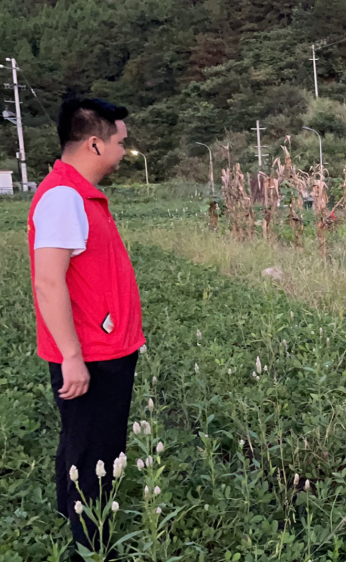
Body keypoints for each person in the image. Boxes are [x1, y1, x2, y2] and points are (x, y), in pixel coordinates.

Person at [28, 98, 145, 556]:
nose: (123, 149)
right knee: (94, 455)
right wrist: (72, 357)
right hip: (92, 354)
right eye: (119, 142)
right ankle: (93, 547)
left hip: (106, 346)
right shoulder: (63, 197)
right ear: (94, 143)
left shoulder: (79, 194)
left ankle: (73, 524)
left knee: (83, 446)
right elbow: (48, 280)